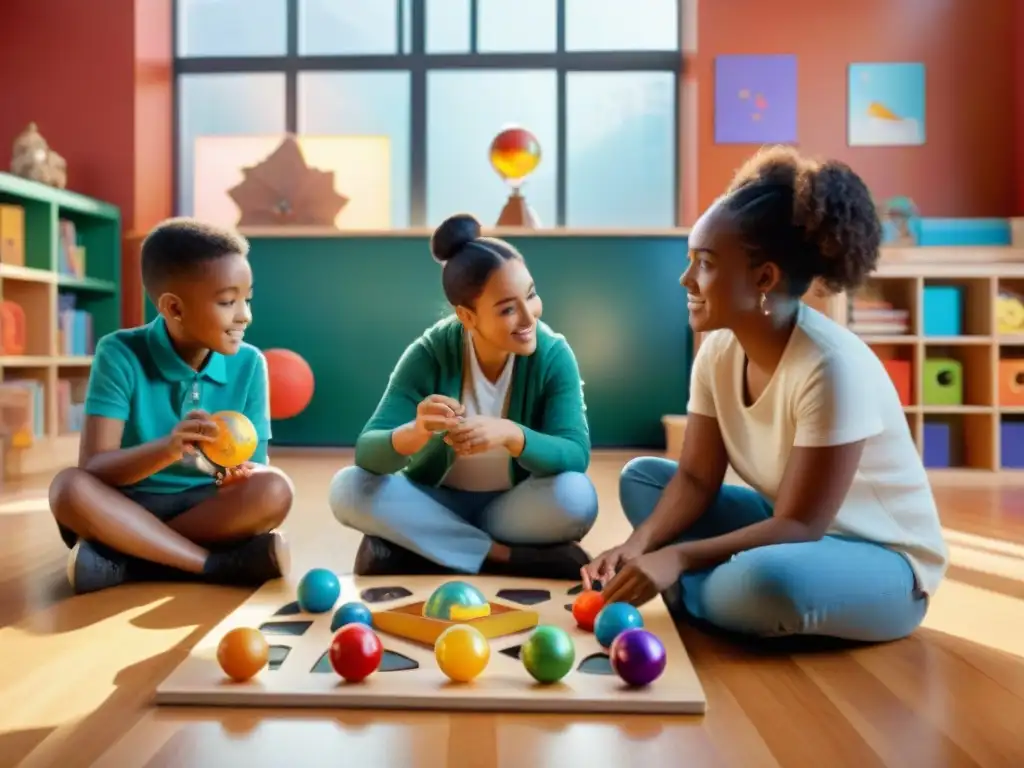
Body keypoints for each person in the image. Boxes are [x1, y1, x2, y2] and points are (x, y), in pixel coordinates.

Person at [583, 146, 948, 643]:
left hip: (882, 562)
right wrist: (638, 545)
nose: (686, 279)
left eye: (705, 263)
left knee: (768, 583)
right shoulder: (718, 353)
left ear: (764, 278)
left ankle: (703, 590)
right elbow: (694, 477)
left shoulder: (831, 367)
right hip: (786, 528)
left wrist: (676, 555)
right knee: (643, 480)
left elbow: (800, 524)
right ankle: (710, 592)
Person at [329, 212, 598, 579]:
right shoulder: (430, 353)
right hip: (437, 501)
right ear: (467, 316)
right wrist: (416, 431)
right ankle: (500, 556)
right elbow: (367, 452)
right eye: (507, 309)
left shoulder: (552, 354)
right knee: (348, 488)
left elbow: (574, 453)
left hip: (514, 510)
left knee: (576, 498)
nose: (528, 317)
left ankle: (425, 550)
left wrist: (509, 434)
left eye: (531, 295)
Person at [48, 218, 294, 594]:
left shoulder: (251, 363)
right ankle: (209, 565)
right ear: (175, 309)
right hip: (127, 503)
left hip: (204, 510)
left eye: (247, 299)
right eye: (228, 302)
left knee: (275, 489)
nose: (245, 315)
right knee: (68, 488)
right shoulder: (119, 352)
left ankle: (125, 557)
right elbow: (95, 468)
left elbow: (257, 465)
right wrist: (165, 451)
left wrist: (235, 471)